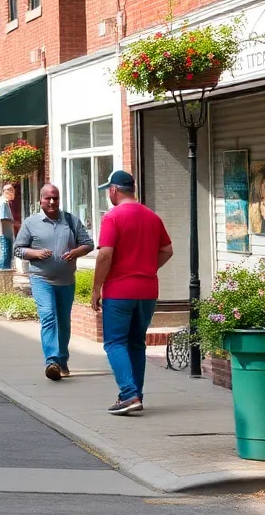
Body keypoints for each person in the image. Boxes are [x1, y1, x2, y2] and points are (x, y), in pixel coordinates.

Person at [91, 170, 174, 416]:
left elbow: (105, 254)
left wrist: (96, 288)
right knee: (137, 343)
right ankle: (136, 394)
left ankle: (128, 394)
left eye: (109, 190)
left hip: (120, 290)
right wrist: (147, 267)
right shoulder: (152, 217)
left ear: (114, 190)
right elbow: (167, 250)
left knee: (115, 342)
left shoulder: (112, 217)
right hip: (147, 290)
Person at [14, 184, 94, 381]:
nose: (51, 202)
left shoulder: (70, 220)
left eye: (55, 198)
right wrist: (36, 253)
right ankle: (52, 361)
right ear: (40, 200)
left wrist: (76, 252)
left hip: (66, 280)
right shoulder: (31, 223)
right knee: (48, 317)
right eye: (48, 198)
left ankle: (63, 361)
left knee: (64, 322)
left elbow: (89, 244)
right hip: (41, 279)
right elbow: (18, 249)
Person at [0, 182, 17, 270]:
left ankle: (2, 277)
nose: (13, 194)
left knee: (3, 256)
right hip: (4, 235)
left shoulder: (0, 202)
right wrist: (17, 223)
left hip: (1, 234)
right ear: (8, 192)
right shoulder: (3, 203)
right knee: (4, 257)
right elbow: (4, 218)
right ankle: (2, 278)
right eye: (13, 192)